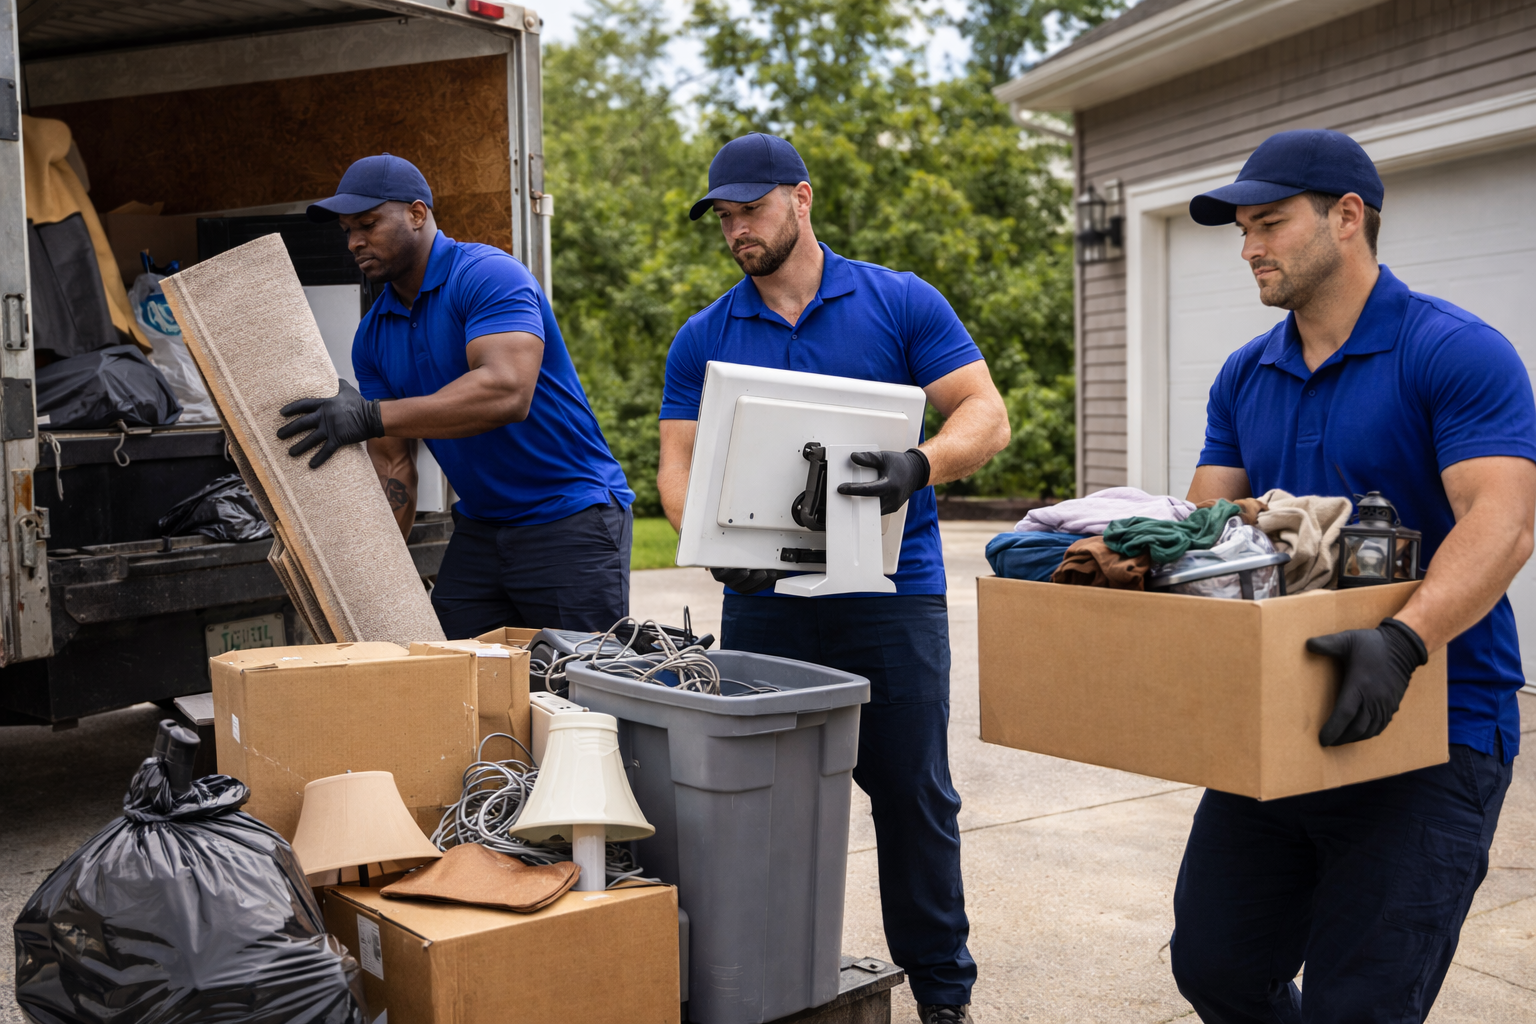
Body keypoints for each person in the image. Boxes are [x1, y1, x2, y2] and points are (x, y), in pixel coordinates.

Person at [1171, 129, 1536, 1022]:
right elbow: (1205, 528)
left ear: (1346, 218)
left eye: (1268, 223)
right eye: (1241, 230)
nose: (1249, 247)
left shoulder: (1452, 350)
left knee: (1362, 1005)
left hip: (1433, 726)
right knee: (1215, 965)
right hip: (1283, 719)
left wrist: (1403, 641)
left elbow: (1507, 520)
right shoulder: (1244, 373)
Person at [657, 133, 1011, 1024]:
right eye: (724, 217)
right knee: (756, 806)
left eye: (753, 209)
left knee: (913, 799)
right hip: (764, 605)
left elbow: (986, 413)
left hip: (890, 597)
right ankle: (763, 989)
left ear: (802, 198)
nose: (737, 229)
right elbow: (677, 465)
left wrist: (919, 466)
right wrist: (704, 537)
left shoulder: (897, 302)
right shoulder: (705, 335)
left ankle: (943, 999)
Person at [277, 154, 635, 636]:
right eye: (346, 231)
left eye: (367, 223)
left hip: (569, 514)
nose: (355, 241)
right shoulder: (373, 334)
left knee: (586, 690)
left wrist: (371, 416)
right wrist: (375, 575)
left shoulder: (488, 275)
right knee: (452, 681)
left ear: (417, 214)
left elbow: (506, 392)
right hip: (483, 527)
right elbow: (393, 467)